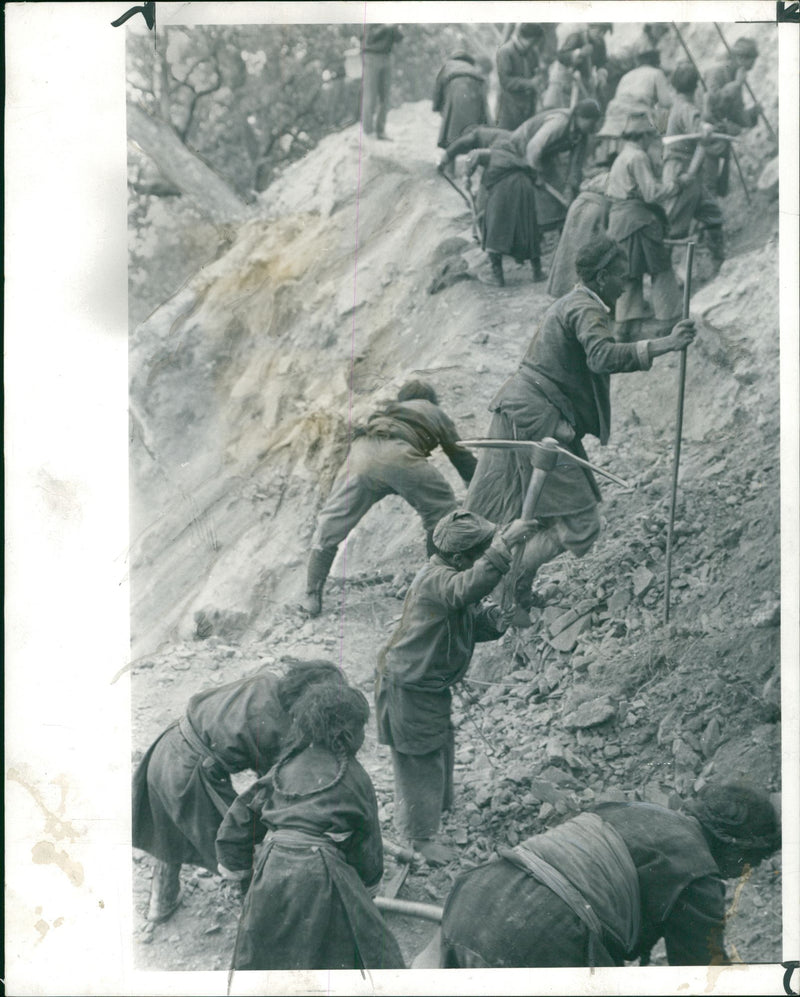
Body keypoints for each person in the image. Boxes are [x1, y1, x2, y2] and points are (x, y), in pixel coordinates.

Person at [464, 236, 697, 610]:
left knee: (523, 511)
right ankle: (505, 579)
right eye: (621, 276)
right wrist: (664, 344)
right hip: (536, 420)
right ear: (602, 277)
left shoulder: (572, 303)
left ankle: (514, 597)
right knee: (581, 524)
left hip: (523, 412)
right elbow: (602, 356)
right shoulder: (587, 309)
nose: (625, 285)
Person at [418, 783, 780, 968]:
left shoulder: (635, 810)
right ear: (734, 847)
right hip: (539, 932)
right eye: (754, 859)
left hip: (476, 894)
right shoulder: (699, 876)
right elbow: (704, 976)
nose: (751, 870)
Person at [375, 510, 534, 866]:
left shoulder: (453, 576)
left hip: (427, 685)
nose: (484, 556)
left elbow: (467, 616)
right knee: (422, 755)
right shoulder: (437, 581)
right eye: (481, 552)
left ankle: (437, 807)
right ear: (461, 557)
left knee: (440, 742)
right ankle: (419, 836)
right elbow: (463, 591)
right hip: (409, 686)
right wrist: (505, 544)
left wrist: (493, 620)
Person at [132, 658, 344, 922]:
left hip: (167, 746)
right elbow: (275, 787)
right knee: (237, 842)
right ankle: (264, 918)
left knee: (167, 828)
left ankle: (161, 901)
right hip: (190, 772)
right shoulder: (280, 726)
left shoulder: (265, 681)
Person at [216, 683, 405, 970]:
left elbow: (241, 815)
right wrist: (365, 890)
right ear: (348, 733)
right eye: (362, 729)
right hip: (321, 872)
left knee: (266, 943)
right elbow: (367, 842)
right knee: (368, 949)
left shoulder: (284, 767)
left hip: (273, 867)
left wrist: (238, 872)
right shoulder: (355, 777)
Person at [302, 380, 477, 616]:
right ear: (431, 399)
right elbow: (459, 454)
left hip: (362, 453)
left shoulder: (392, 410)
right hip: (400, 457)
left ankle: (311, 596)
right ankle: (434, 589)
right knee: (442, 514)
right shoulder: (433, 410)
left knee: (331, 524)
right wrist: (474, 484)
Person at [479, 100, 602, 287]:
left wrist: (571, 191)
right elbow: (533, 147)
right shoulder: (559, 122)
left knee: (557, 210)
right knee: (523, 203)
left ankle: (562, 258)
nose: (593, 127)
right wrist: (534, 174)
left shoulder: (580, 135)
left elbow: (575, 168)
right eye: (591, 123)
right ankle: (523, 257)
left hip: (544, 157)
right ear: (579, 117)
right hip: (518, 152)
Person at [606, 111, 684, 342]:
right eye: (650, 135)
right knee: (660, 269)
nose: (651, 139)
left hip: (619, 221)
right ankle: (667, 321)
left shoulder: (623, 156)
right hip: (637, 222)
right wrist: (675, 186)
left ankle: (625, 328)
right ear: (642, 136)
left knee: (629, 273)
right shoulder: (638, 157)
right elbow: (651, 194)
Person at [662, 62, 725, 270]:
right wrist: (705, 128)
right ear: (696, 87)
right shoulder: (686, 109)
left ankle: (718, 264)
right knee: (671, 227)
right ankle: (660, 273)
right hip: (682, 173)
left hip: (689, 174)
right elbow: (701, 135)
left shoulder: (680, 106)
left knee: (712, 213)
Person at [702, 36, 761, 197]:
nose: (752, 67)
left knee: (716, 188)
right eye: (751, 62)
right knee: (706, 187)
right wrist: (737, 84)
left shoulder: (735, 76)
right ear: (741, 58)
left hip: (719, 140)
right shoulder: (716, 72)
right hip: (704, 139)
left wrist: (752, 115)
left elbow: (736, 115)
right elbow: (713, 104)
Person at [546, 170, 610, 298]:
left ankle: (563, 289)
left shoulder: (597, 179)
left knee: (569, 249)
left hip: (579, 203)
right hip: (597, 206)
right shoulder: (611, 180)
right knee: (590, 253)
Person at [433, 50, 491, 165]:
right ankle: (478, 162)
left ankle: (449, 167)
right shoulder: (475, 72)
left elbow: (438, 90)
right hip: (474, 89)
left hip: (456, 91)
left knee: (451, 130)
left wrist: (438, 108)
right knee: (473, 128)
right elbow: (484, 104)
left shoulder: (448, 66)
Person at [495, 23, 545, 130]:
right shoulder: (505, 52)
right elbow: (505, 81)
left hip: (528, 106)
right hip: (509, 107)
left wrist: (539, 77)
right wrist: (530, 83)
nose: (534, 45)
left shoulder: (533, 52)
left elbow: (536, 73)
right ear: (526, 38)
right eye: (533, 42)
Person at [361, 23, 403, 140]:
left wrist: (396, 27)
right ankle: (368, 131)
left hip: (387, 57)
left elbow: (399, 38)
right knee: (370, 96)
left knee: (385, 97)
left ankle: (380, 131)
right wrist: (387, 26)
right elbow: (370, 37)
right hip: (371, 56)